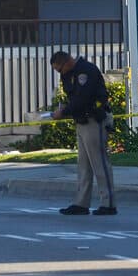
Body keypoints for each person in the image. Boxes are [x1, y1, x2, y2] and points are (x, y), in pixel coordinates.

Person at [50, 51, 117, 216]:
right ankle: (81, 203)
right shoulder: (70, 74)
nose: (61, 73)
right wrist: (64, 109)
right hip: (81, 121)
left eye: (60, 70)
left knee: (99, 163)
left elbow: (83, 99)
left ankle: (108, 204)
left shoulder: (86, 71)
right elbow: (73, 98)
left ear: (67, 62)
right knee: (83, 165)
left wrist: (64, 111)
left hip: (94, 120)